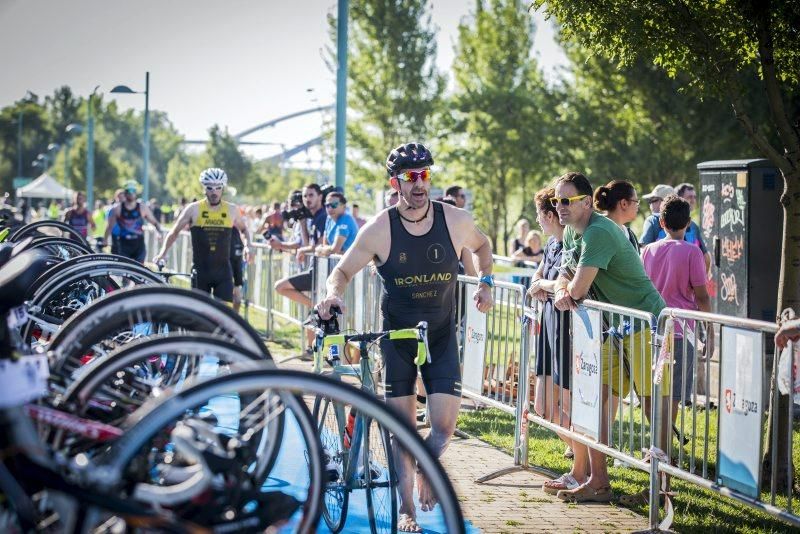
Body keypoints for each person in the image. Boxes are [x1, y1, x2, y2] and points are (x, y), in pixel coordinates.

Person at [316, 142, 494, 532]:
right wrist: (332, 294)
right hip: (397, 337)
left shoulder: (455, 219)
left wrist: (486, 282)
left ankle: (428, 470)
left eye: (424, 175)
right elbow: (342, 272)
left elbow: (482, 245)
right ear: (395, 182)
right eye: (411, 177)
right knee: (404, 431)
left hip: (441, 336)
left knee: (443, 429)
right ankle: (407, 510)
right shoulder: (379, 228)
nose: (419, 184)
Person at [551, 171, 665, 503]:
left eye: (566, 200)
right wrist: (561, 287)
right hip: (615, 327)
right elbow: (564, 276)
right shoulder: (573, 232)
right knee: (596, 401)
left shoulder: (599, 231)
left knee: (651, 405)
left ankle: (663, 490)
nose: (559, 207)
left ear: (587, 203)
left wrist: (565, 290)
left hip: (646, 323)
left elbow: (577, 288)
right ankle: (598, 481)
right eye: (557, 200)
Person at [526, 187, 580, 495]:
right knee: (543, 407)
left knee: (566, 402)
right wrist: (539, 283)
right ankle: (582, 457)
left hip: (566, 326)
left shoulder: (572, 242)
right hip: (547, 324)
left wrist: (541, 284)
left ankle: (582, 465)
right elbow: (541, 275)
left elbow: (567, 283)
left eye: (539, 215)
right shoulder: (549, 244)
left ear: (549, 215)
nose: (538, 221)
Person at [642, 195, 712, 420]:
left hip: (652, 330)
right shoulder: (693, 252)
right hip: (683, 331)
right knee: (673, 393)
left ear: (661, 222)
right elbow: (702, 296)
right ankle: (663, 447)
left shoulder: (647, 251)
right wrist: (710, 332)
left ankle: (656, 442)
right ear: (688, 223)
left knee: (656, 387)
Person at [154, 168, 250, 303]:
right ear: (204, 188)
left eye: (218, 188)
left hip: (223, 272)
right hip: (201, 271)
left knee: (221, 315)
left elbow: (245, 230)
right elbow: (174, 232)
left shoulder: (231, 209)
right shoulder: (193, 209)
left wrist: (248, 246)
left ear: (223, 188)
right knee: (199, 315)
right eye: (210, 188)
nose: (214, 192)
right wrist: (162, 253)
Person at [273, 184, 327, 360]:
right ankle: (311, 351)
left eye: (311, 195)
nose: (307, 199)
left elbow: (319, 245)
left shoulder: (323, 216)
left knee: (280, 287)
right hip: (314, 268)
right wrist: (303, 223)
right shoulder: (311, 217)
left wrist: (304, 250)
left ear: (320, 196)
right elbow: (305, 244)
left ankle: (314, 306)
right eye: (305, 196)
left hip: (322, 270)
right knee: (311, 314)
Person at [104, 182, 161, 263]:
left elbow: (155, 223)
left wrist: (159, 233)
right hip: (124, 244)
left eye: (133, 191)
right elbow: (109, 226)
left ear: (136, 193)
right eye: (129, 191)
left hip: (138, 245)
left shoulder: (142, 207)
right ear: (125, 193)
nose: (131, 194)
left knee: (139, 271)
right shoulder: (117, 208)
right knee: (125, 271)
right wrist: (105, 239)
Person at [594, 180, 641, 252]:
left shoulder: (630, 235)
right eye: (636, 202)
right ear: (624, 203)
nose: (638, 206)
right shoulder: (596, 231)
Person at [675, 182, 712, 274]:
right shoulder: (671, 223)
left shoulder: (694, 227)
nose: (693, 200)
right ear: (679, 199)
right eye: (689, 197)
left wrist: (701, 280)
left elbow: (706, 257)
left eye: (694, 197)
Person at [315, 192, 359, 257]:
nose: (330, 208)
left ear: (344, 206)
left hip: (352, 263)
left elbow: (335, 250)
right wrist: (324, 250)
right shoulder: (329, 218)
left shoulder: (346, 219)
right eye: (327, 205)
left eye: (334, 205)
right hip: (337, 262)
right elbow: (325, 246)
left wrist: (320, 250)